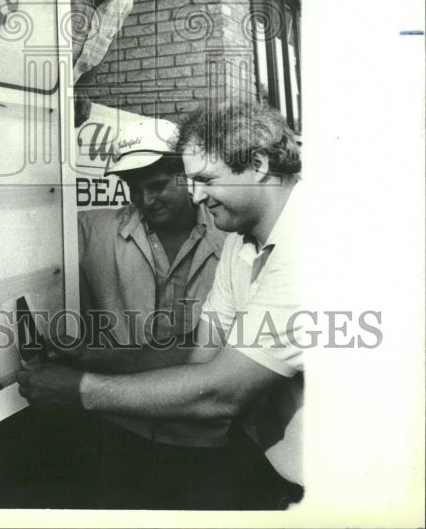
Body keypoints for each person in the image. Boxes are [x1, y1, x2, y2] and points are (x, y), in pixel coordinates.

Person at [19, 100, 305, 509]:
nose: (197, 194)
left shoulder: (308, 243)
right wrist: (88, 358)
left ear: (258, 163)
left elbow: (223, 392)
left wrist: (79, 390)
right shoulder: (241, 239)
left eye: (206, 179)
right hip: (277, 471)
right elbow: (196, 352)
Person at [76, 116, 231, 509]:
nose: (146, 200)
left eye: (157, 185)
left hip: (209, 441)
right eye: (134, 189)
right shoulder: (95, 231)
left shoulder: (231, 238)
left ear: (184, 174)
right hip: (122, 431)